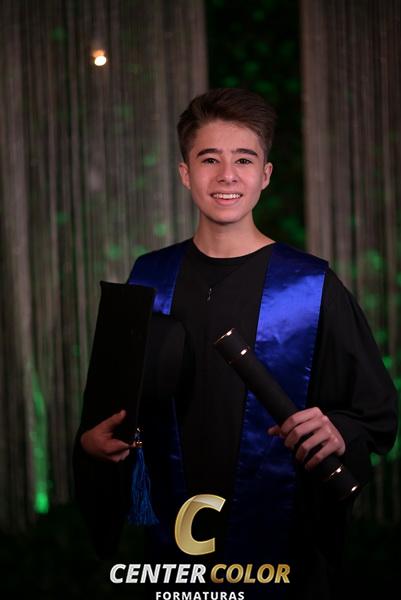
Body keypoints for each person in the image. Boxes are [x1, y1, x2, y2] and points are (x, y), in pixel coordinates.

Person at [73, 88, 398, 599]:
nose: (227, 175)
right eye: (210, 159)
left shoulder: (310, 286)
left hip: (280, 545)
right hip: (174, 545)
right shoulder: (148, 277)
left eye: (244, 159)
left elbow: (375, 411)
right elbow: (108, 411)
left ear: (265, 175)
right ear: (185, 173)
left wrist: (340, 429)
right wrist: (92, 444)